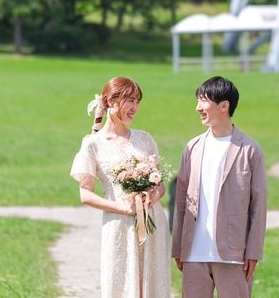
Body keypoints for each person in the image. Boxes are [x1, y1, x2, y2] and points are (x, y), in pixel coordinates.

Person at [70, 77, 171, 298]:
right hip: (119, 226)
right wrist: (124, 208)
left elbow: (161, 186)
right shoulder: (93, 144)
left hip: (153, 223)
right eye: (130, 101)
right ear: (110, 101)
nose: (135, 108)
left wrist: (153, 195)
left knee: (154, 285)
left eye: (137, 102)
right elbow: (85, 194)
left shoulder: (145, 139)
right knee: (121, 285)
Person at [172, 76, 267, 298]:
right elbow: (181, 202)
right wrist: (178, 248)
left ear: (224, 106)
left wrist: (253, 252)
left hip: (234, 256)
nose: (198, 108)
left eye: (203, 101)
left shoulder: (250, 150)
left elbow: (259, 206)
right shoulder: (192, 148)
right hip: (194, 254)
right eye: (197, 101)